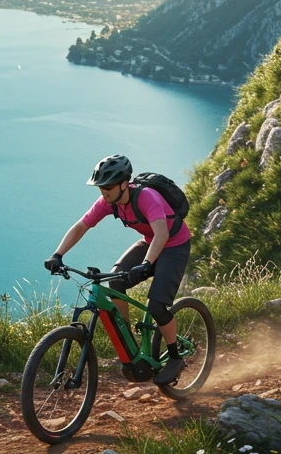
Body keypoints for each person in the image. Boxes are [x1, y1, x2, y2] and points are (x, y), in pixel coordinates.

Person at [44, 155, 191, 386]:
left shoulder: (146, 197)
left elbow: (162, 234)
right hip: (150, 241)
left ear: (124, 183)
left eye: (109, 187)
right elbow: (82, 225)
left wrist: (147, 264)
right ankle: (128, 342)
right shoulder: (109, 202)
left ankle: (175, 357)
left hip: (174, 245)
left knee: (157, 306)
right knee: (115, 280)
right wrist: (58, 254)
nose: (104, 192)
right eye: (101, 187)